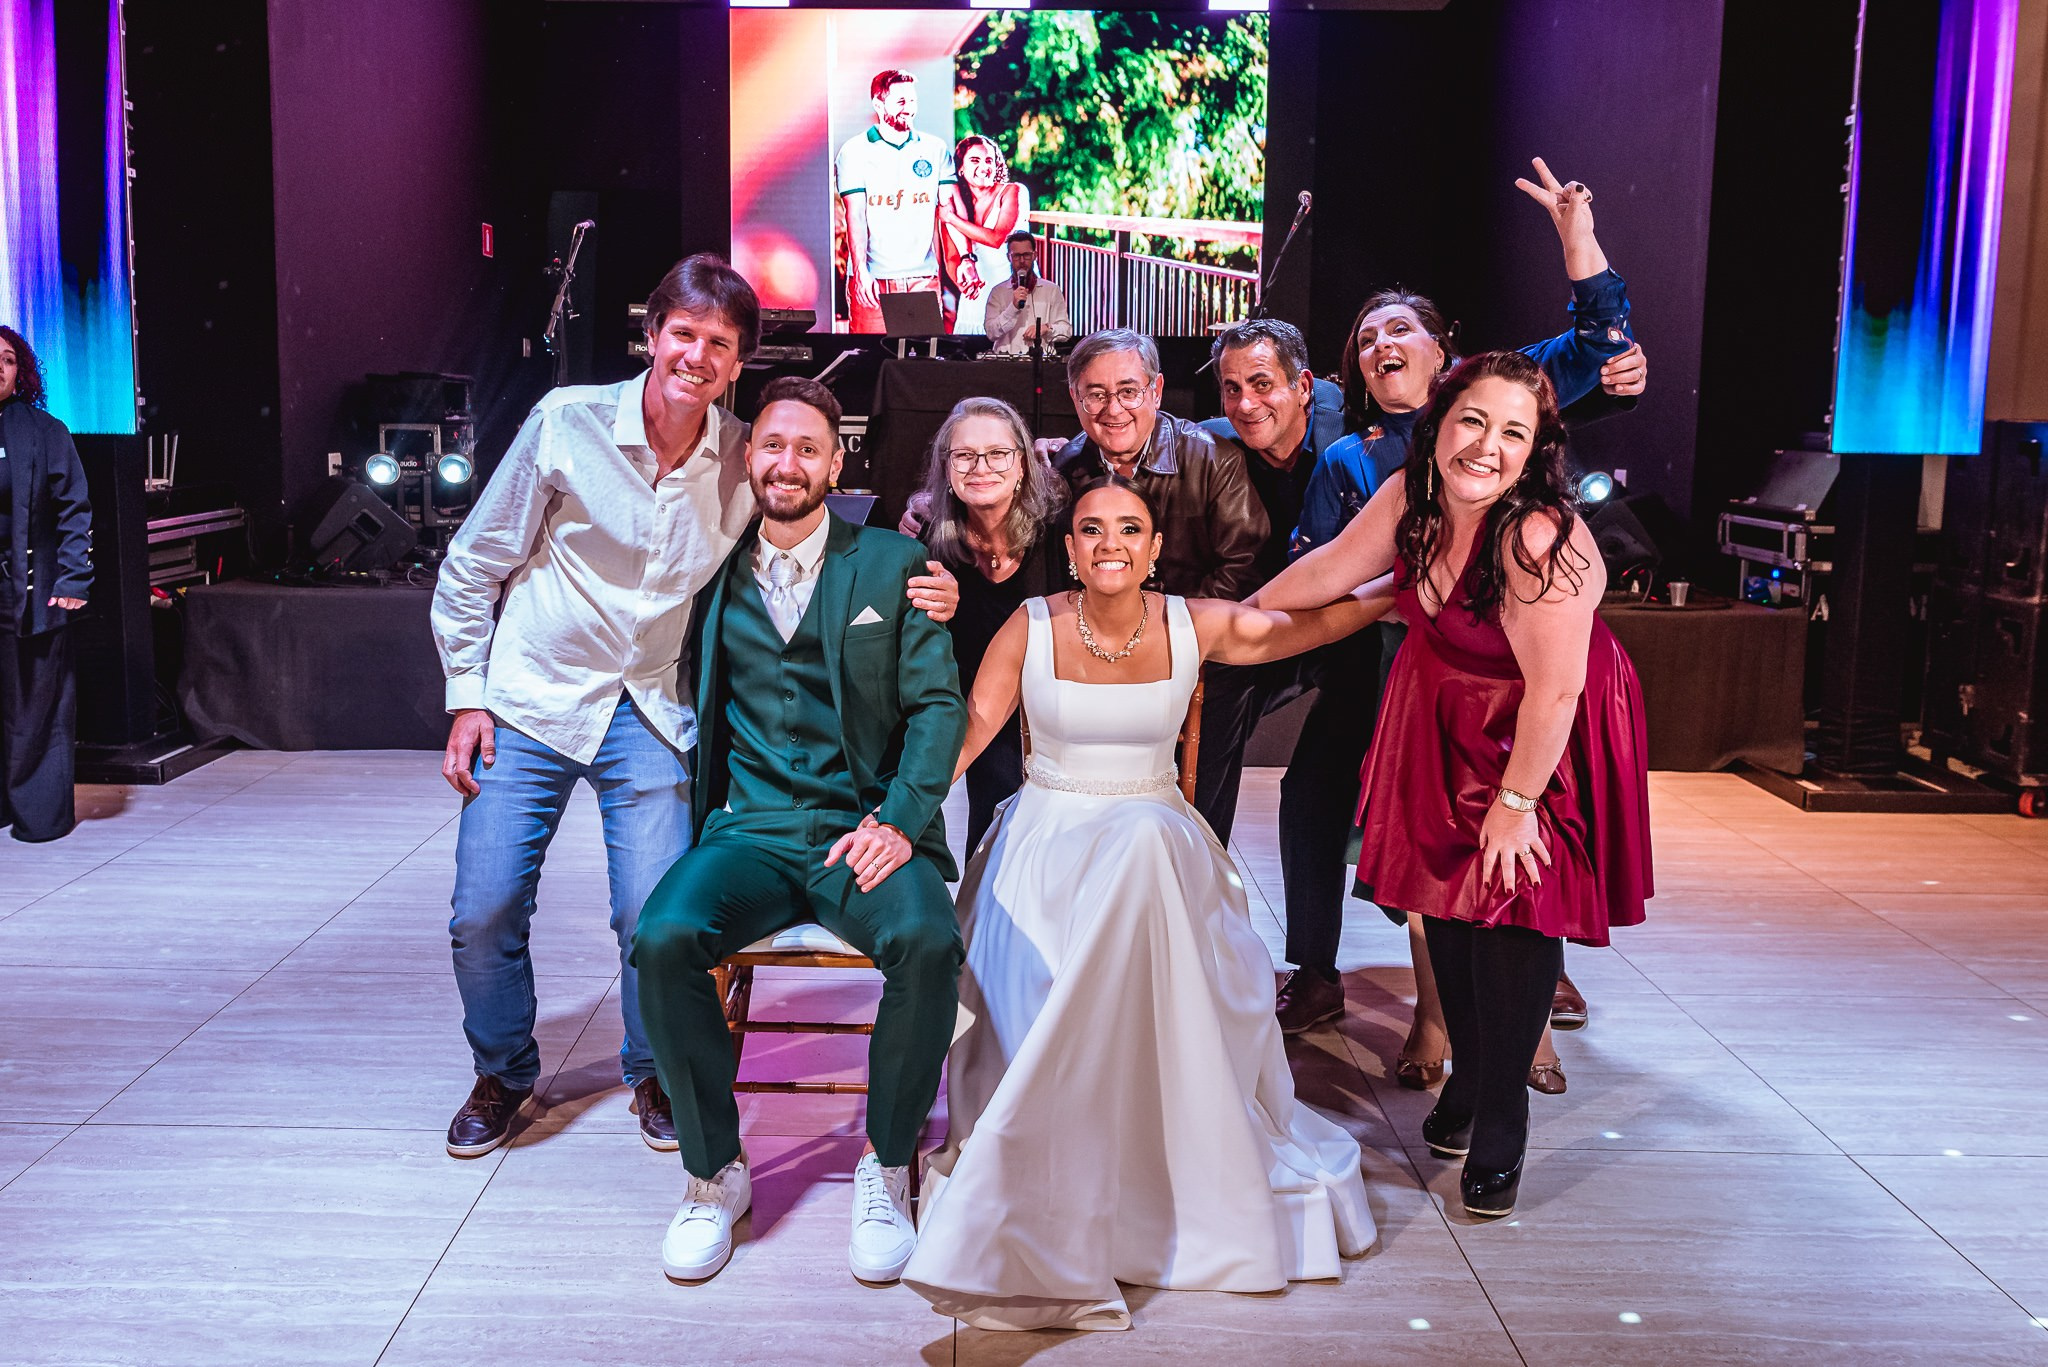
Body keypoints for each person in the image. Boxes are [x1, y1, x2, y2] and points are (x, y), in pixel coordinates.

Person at [430, 256, 960, 1162]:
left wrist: (933, 581)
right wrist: (467, 695)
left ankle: (655, 1068)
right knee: (483, 909)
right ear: (652, 336)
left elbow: (820, 524)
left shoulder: (744, 455)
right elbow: (474, 563)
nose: (698, 355)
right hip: (535, 698)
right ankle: (505, 1071)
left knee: (651, 915)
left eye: (720, 344)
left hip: (649, 705)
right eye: (684, 334)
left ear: (738, 361)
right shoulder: (567, 423)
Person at [903, 478, 1386, 1332]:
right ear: (1073, 547)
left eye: (1130, 528)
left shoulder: (1192, 621)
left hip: (1158, 858)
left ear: (1155, 548)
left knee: (1145, 840)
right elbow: (971, 730)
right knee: (1133, 850)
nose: (1110, 543)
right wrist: (896, 823)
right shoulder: (1032, 626)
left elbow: (1298, 627)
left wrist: (1396, 597)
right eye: (1091, 529)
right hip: (1043, 854)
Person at [1251, 350, 1652, 1221]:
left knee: (1512, 899)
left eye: (1516, 431)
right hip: (1449, 708)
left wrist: (1515, 804)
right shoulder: (1411, 496)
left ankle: (1501, 1113)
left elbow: (1555, 688)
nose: (1488, 446)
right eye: (1474, 421)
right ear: (1438, 424)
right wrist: (1234, 625)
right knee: (1454, 905)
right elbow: (1325, 571)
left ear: (1538, 447)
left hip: (1544, 727)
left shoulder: (1539, 534)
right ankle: (1472, 1073)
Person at [1279, 161, 1641, 1077]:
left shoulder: (1500, 394)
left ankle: (1525, 1024)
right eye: (1365, 338)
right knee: (1406, 840)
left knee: (1533, 840)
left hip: (1533, 676)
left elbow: (1600, 341)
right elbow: (1325, 573)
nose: (1380, 344)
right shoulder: (1353, 462)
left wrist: (1577, 240)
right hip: (1412, 672)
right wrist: (1226, 618)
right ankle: (1420, 1014)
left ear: (1447, 355)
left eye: (1400, 328)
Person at [633, 377, 966, 1287]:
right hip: (750, 828)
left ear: (836, 461)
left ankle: (887, 1165)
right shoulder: (711, 565)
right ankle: (714, 1173)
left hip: (859, 827)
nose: (788, 462)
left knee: (929, 941)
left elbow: (939, 708)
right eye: (772, 445)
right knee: (662, 937)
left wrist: (899, 821)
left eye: (807, 447)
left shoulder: (894, 564)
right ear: (751, 457)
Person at [913, 397, 1068, 849]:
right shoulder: (929, 540)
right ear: (946, 467)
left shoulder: (1059, 532)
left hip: (1056, 708)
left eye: (998, 453)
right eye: (964, 455)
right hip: (978, 715)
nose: (981, 466)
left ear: (1022, 463)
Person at [1053, 328, 1267, 600]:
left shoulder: (1214, 460)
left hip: (1194, 633)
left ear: (1156, 391)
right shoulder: (1065, 468)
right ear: (1075, 397)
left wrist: (1167, 628)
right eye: (1096, 395)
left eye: (1128, 391)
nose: (1114, 409)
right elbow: (1062, 575)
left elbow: (1243, 572)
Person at [0, 326, 91, 843]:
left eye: (8, 359)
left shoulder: (44, 431)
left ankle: (38, 817)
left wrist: (75, 577)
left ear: (21, 373)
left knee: (35, 706)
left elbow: (74, 510)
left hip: (31, 589)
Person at [836, 70, 955, 333]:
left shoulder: (935, 149)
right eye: (901, 102)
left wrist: (963, 262)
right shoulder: (854, 152)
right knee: (868, 363)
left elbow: (949, 211)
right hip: (873, 280)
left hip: (922, 279)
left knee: (922, 365)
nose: (909, 109)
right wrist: (860, 272)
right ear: (878, 104)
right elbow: (854, 215)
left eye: (912, 101)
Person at [939, 138, 1029, 337]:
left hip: (1013, 294)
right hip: (976, 300)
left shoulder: (1013, 191)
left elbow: (997, 238)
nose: (984, 166)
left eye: (989, 160)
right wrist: (966, 286)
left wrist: (951, 218)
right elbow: (951, 258)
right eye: (974, 160)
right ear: (961, 169)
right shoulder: (959, 205)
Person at [982, 232, 1072, 354]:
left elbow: (1066, 331)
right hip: (1006, 364)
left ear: (1035, 255)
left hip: (1041, 361)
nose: (1022, 260)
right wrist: (1012, 308)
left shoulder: (1051, 289)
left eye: (1027, 255)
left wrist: (1046, 328)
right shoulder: (998, 292)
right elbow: (991, 333)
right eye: (1017, 256)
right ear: (1009, 257)